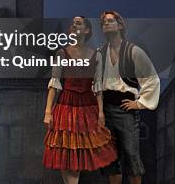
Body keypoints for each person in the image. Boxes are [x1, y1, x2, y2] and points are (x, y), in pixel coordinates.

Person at [42, 16, 117, 183]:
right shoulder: (62, 53)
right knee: (66, 149)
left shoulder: (96, 55)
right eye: (73, 23)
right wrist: (48, 111)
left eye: (79, 23)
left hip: (87, 106)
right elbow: (54, 84)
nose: (74, 25)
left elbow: (97, 86)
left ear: (87, 30)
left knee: (80, 152)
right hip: (66, 105)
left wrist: (101, 112)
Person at [98, 11, 159, 184]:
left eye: (110, 21)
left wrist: (139, 103)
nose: (107, 25)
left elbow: (151, 79)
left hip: (125, 109)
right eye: (104, 23)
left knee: (132, 155)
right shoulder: (100, 53)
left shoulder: (134, 51)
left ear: (120, 25)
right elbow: (95, 85)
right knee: (111, 158)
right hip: (106, 109)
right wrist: (100, 111)